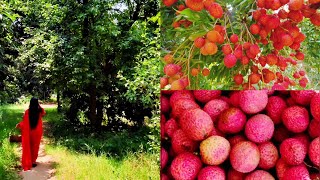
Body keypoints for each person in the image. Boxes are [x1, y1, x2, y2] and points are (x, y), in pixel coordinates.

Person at [16, 97, 46, 171]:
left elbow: (25, 123)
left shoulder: (27, 112)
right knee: (35, 146)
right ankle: (33, 161)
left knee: (29, 145)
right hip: (37, 131)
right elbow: (44, 113)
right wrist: (38, 105)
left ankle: (29, 161)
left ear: (30, 103)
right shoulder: (40, 111)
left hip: (30, 131)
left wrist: (19, 124)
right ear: (37, 103)